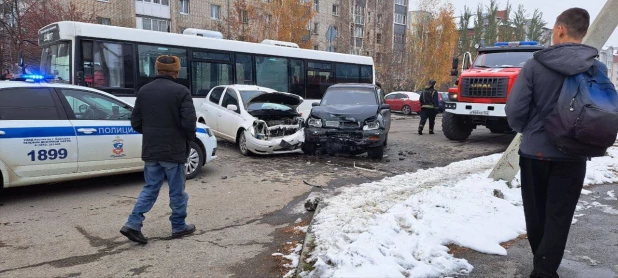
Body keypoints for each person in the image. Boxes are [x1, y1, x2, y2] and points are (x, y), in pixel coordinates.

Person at [505, 8, 594, 278]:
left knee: (537, 216)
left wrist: (529, 131)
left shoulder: (535, 65)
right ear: (584, 32)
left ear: (559, 30)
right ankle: (545, 270)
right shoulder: (594, 66)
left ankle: (542, 270)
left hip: (536, 153)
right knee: (559, 218)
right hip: (574, 156)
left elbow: (514, 110)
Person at [120, 55, 197, 244]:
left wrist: (152, 134)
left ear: (157, 70)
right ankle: (179, 226)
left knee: (150, 188)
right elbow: (189, 123)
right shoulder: (182, 91)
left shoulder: (144, 91)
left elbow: (136, 122)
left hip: (151, 150)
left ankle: (133, 223)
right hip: (174, 151)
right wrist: (186, 139)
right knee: (177, 191)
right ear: (176, 72)